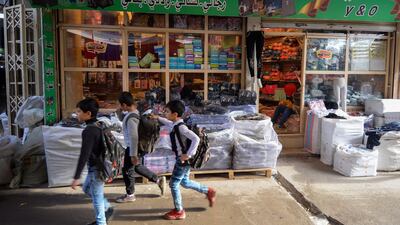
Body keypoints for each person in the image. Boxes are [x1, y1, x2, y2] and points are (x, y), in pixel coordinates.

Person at [151, 100, 216, 220]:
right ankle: (208, 191)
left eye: (167, 111)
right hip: (182, 159)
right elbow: (167, 122)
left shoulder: (181, 127)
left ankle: (179, 211)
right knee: (185, 182)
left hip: (182, 160)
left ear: (175, 114)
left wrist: (188, 155)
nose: (165, 113)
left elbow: (196, 139)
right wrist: (157, 117)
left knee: (174, 184)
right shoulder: (175, 124)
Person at [115, 92, 166, 203]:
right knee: (136, 166)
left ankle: (130, 195)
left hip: (133, 147)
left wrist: (133, 154)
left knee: (127, 170)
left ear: (124, 105)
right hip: (135, 147)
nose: (119, 106)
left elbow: (134, 137)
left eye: (120, 105)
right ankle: (158, 179)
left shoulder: (132, 117)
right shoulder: (134, 113)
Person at [71, 98, 114, 225]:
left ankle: (101, 222)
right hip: (98, 166)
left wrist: (76, 176)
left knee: (96, 198)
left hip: (97, 169)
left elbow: (84, 154)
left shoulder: (89, 131)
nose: (76, 114)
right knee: (87, 189)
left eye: (79, 111)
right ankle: (106, 207)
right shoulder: (99, 124)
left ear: (88, 113)